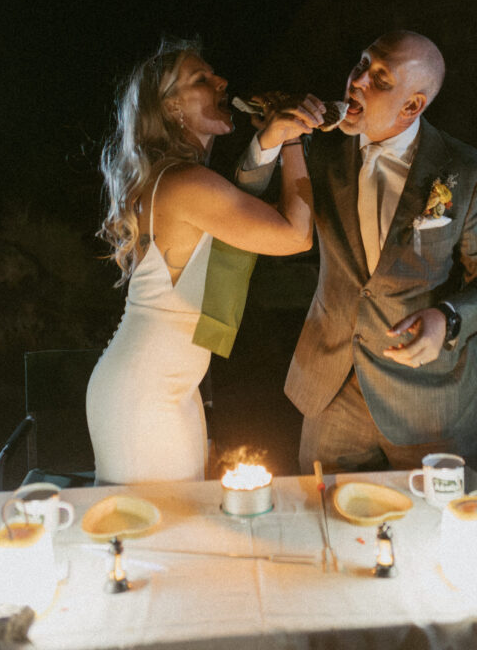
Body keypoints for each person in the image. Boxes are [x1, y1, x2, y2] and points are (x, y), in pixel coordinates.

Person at [238, 29, 477, 474]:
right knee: (329, 523)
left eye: (381, 79)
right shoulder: (315, 144)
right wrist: (271, 140)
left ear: (412, 106)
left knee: (434, 531)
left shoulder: (468, 173)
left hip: (430, 399)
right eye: (362, 64)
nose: (358, 82)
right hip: (331, 387)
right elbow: (244, 204)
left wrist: (446, 317)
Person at [86, 37, 320, 484]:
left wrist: (269, 138)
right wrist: (293, 142)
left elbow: (235, 207)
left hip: (162, 385)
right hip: (146, 395)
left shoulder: (175, 179)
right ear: (172, 107)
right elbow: (295, 234)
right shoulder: (185, 182)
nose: (221, 82)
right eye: (201, 79)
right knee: (162, 538)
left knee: (175, 530)